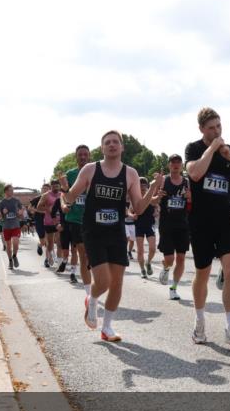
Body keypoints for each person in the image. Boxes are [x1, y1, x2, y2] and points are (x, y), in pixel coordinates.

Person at [62, 130, 160, 342]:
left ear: (122, 147)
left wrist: (152, 188)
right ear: (102, 148)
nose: (112, 145)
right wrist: (65, 194)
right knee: (104, 281)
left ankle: (107, 327)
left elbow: (139, 207)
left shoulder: (130, 173)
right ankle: (92, 298)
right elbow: (71, 195)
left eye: (116, 142)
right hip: (93, 231)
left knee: (117, 283)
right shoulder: (90, 169)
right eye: (108, 142)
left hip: (116, 231)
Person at [184, 107, 230, 349]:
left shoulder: (228, 151)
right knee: (202, 272)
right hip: (201, 221)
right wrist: (212, 149)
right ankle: (199, 321)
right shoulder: (194, 148)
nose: (216, 131)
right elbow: (195, 173)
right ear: (202, 129)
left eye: (219, 126)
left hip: (225, 219)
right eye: (211, 128)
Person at [156, 155, 191, 301]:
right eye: (173, 163)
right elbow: (152, 201)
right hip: (167, 224)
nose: (176, 165)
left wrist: (190, 197)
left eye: (178, 163)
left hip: (183, 225)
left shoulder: (187, 182)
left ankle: (174, 288)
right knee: (170, 259)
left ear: (182, 165)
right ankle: (165, 267)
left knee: (181, 258)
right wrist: (157, 195)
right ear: (169, 165)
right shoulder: (163, 181)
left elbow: (192, 203)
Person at [61, 145, 93, 290]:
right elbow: (64, 193)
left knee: (92, 253)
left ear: (89, 156)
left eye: (85, 154)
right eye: (80, 154)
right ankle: (89, 292)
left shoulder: (96, 172)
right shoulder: (70, 174)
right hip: (75, 218)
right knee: (82, 253)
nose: (83, 157)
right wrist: (63, 205)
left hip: (93, 219)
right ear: (76, 156)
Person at [132, 175, 161, 278]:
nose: (142, 187)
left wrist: (157, 211)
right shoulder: (135, 198)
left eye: (144, 185)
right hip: (139, 226)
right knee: (140, 250)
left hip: (149, 225)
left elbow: (156, 204)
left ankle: (148, 262)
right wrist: (132, 215)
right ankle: (142, 270)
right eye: (140, 185)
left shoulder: (150, 196)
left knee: (152, 248)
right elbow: (131, 210)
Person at [0, 184, 24, 270]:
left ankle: (14, 256)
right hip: (6, 226)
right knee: (8, 245)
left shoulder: (16, 200)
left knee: (16, 242)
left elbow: (22, 208)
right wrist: (2, 212)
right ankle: (10, 261)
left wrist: (20, 212)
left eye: (13, 190)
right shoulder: (1, 203)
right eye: (10, 190)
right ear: (6, 191)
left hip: (15, 225)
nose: (12, 192)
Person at [37, 180, 62, 269]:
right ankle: (50, 256)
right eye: (54, 186)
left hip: (59, 222)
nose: (56, 188)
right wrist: (48, 208)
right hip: (49, 222)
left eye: (57, 186)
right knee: (50, 243)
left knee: (59, 243)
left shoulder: (62, 194)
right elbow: (39, 206)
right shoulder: (46, 195)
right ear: (51, 187)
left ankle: (59, 264)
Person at [29, 184, 49, 259]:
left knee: (48, 241)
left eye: (47, 189)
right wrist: (38, 210)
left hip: (49, 221)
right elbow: (29, 207)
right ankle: (40, 245)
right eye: (43, 188)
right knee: (43, 241)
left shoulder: (51, 198)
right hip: (39, 221)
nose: (45, 190)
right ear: (41, 190)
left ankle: (47, 259)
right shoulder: (37, 198)